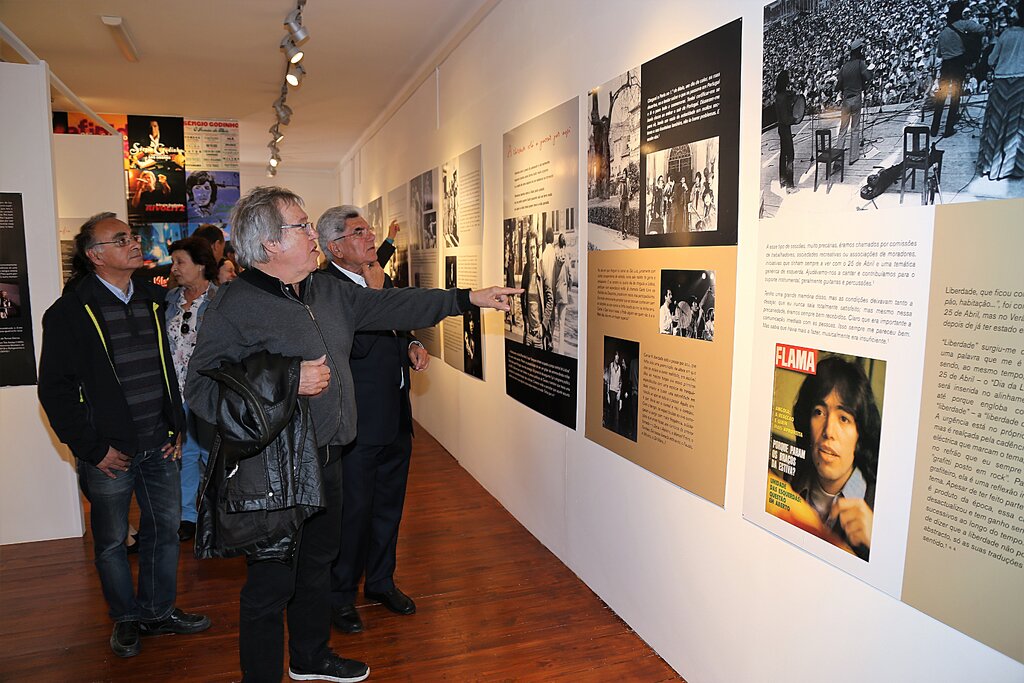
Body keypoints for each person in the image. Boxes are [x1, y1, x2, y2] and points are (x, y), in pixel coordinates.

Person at [185, 187, 518, 683]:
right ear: (271, 244)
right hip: (273, 469)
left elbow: (392, 307)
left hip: (329, 454)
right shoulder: (236, 303)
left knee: (318, 563)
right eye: (301, 225)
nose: (312, 232)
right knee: (271, 584)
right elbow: (200, 387)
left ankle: (310, 656)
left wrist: (466, 298)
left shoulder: (326, 290)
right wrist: (288, 381)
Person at [37, 213, 210, 659]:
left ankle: (157, 611)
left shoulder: (156, 300)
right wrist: (93, 449)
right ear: (96, 256)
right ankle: (126, 618)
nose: (134, 242)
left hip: (160, 443)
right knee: (113, 541)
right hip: (110, 453)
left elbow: (169, 370)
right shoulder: (71, 312)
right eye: (121, 239)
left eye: (132, 236)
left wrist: (177, 425)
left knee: (165, 530)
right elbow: (54, 390)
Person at [314, 205, 427, 636]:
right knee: (352, 515)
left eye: (369, 230)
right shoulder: (325, 289)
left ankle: (380, 582)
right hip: (356, 426)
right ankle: (339, 596)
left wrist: (412, 344)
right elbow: (351, 348)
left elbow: (397, 327)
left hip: (396, 418)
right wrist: (378, 296)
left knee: (389, 510)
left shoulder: (377, 277)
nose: (370, 237)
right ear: (335, 246)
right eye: (359, 232)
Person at [789, 356, 881, 560]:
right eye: (819, 412)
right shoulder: (789, 483)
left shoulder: (882, 507)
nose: (829, 431)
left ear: (860, 433)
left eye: (844, 418)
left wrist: (876, 545)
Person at [165, 237, 219, 543]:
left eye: (180, 262)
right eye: (173, 262)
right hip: (177, 391)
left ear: (200, 264)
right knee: (184, 453)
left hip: (208, 390)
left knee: (213, 454)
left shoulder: (220, 300)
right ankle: (188, 516)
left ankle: (217, 514)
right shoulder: (170, 299)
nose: (174, 269)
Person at [977, 1, 1024, 179]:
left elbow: (991, 60)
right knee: (1016, 129)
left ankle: (992, 167)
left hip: (1001, 83)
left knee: (995, 125)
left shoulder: (1007, 33)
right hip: (1021, 85)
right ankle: (1012, 168)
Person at [931, 1, 986, 139]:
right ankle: (949, 128)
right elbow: (982, 29)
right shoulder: (962, 24)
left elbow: (938, 54)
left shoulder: (943, 32)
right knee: (955, 97)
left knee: (941, 97)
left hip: (946, 66)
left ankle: (934, 128)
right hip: (957, 65)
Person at [836, 39, 873, 164]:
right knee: (855, 129)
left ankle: (837, 159)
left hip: (846, 100)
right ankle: (853, 157)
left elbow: (838, 85)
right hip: (856, 98)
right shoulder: (860, 64)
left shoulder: (844, 66)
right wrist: (870, 71)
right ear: (858, 51)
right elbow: (867, 77)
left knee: (842, 130)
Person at [774, 69, 798, 192]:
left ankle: (782, 179)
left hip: (780, 128)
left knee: (783, 154)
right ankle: (790, 185)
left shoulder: (778, 96)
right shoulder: (784, 97)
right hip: (785, 127)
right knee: (790, 155)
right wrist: (794, 119)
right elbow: (786, 118)